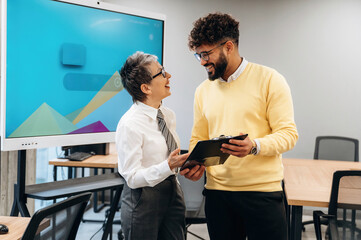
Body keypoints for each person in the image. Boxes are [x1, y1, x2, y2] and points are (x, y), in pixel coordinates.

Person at [180, 12, 298, 240]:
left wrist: (254, 146)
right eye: (198, 56)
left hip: (263, 194)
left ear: (229, 47)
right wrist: (197, 164)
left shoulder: (270, 79)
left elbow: (289, 134)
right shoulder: (202, 91)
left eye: (206, 54)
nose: (203, 61)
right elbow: (198, 139)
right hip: (218, 195)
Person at [116, 51, 189, 240]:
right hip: (142, 200)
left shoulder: (168, 115)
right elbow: (131, 177)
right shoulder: (130, 123)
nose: (168, 76)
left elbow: (168, 157)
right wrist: (169, 165)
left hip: (172, 191)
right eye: (162, 72)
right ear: (146, 88)